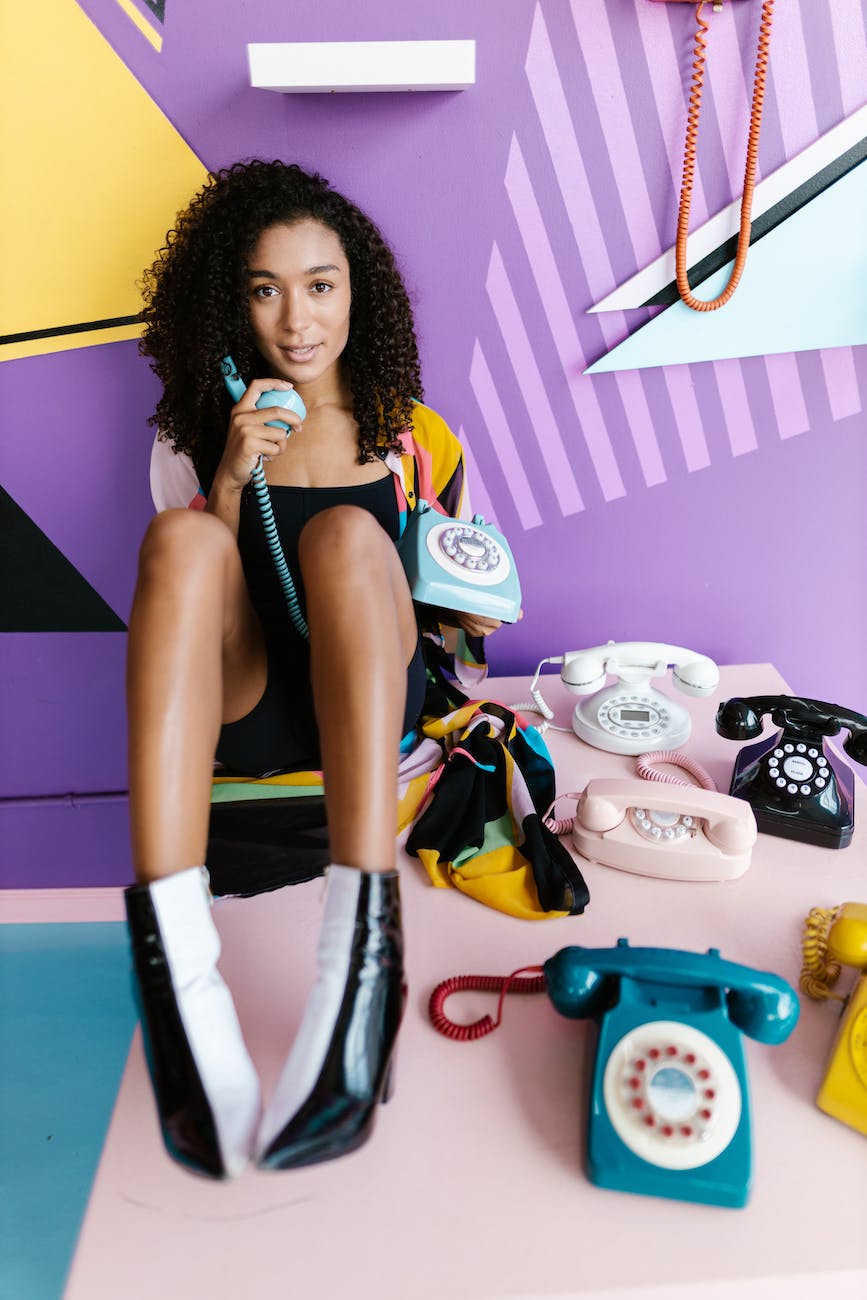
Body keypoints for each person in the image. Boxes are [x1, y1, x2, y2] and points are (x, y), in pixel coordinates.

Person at [125, 160, 502, 1179]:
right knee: (180, 544)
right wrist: (231, 472)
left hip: (370, 715)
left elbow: (470, 632)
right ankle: (176, 979)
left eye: (321, 284)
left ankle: (359, 965)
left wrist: (469, 601)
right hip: (244, 718)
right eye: (265, 287)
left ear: (356, 289)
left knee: (342, 537)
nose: (298, 318)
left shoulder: (417, 439)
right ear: (231, 302)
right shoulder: (190, 431)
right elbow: (189, 620)